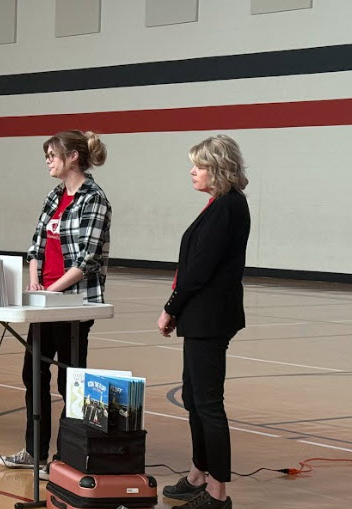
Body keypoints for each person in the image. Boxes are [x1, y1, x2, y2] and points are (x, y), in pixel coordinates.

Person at [0, 130, 111, 471]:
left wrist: (54, 291)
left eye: (53, 154)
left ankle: (66, 460)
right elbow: (35, 245)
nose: (48, 160)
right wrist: (35, 280)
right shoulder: (54, 195)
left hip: (74, 303)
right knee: (33, 373)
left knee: (70, 382)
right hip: (45, 302)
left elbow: (87, 259)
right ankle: (34, 452)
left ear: (73, 157)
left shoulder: (94, 199)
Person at [158, 135, 250, 509]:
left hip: (209, 317)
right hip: (203, 317)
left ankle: (217, 493)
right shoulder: (220, 204)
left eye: (199, 165)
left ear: (218, 168)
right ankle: (199, 473)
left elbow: (198, 270)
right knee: (194, 395)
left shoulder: (227, 207)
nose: (192, 171)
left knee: (208, 403)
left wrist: (171, 307)